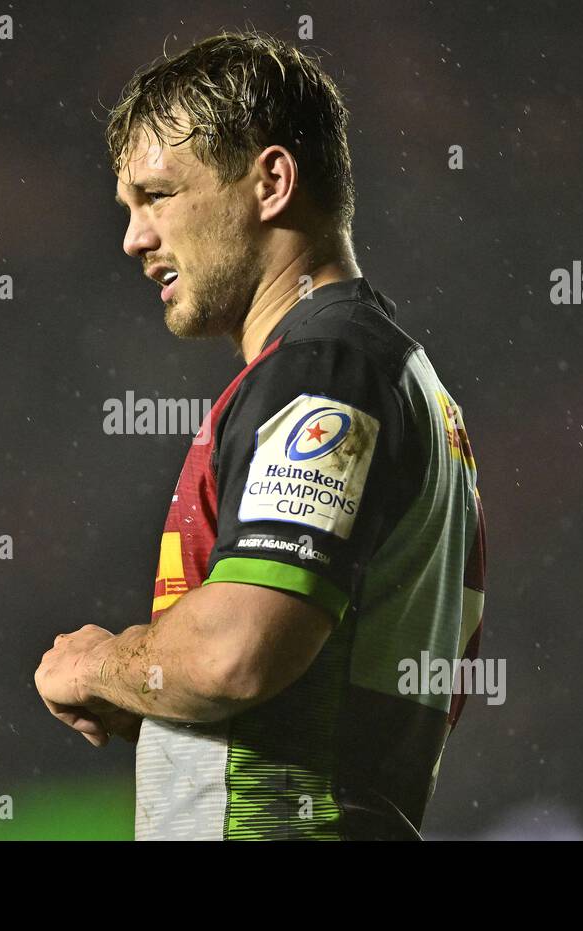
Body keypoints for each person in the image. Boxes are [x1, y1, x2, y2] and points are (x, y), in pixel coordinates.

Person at [35, 30, 487, 840]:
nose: (134, 239)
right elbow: (297, 695)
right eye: (128, 209)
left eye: (158, 196)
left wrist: (96, 662)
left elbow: (239, 651)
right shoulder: (386, 372)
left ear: (273, 181)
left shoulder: (325, 372)